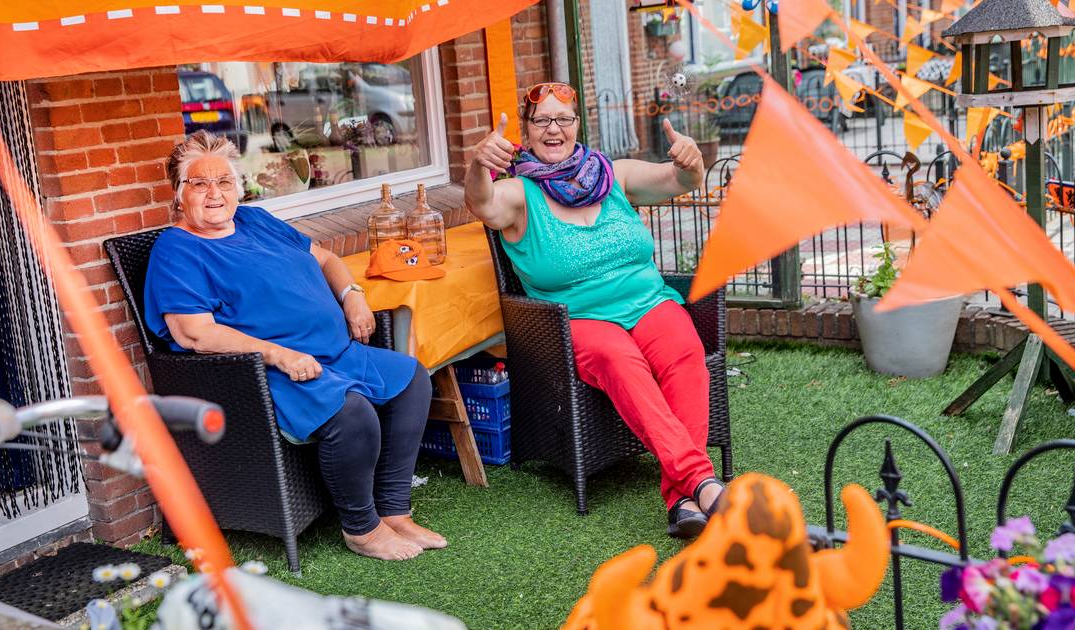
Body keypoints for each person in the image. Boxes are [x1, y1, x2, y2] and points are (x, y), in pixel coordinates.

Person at [144, 130, 445, 560]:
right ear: (179, 195)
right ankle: (362, 528)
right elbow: (194, 333)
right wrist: (279, 354)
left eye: (224, 181)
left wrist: (351, 295)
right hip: (268, 372)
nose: (214, 193)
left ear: (238, 188)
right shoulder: (178, 249)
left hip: (335, 351)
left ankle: (394, 511)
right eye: (199, 183)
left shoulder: (255, 221)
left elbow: (324, 258)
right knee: (351, 412)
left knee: (409, 378)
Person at [464, 82, 723, 538]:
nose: (553, 129)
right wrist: (477, 166)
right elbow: (481, 203)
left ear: (577, 125)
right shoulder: (519, 194)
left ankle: (683, 496)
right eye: (541, 120)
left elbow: (681, 182)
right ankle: (701, 482)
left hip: (647, 302)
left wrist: (691, 162)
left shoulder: (613, 173)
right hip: (578, 319)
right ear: (525, 132)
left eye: (563, 119)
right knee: (617, 359)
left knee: (684, 349)